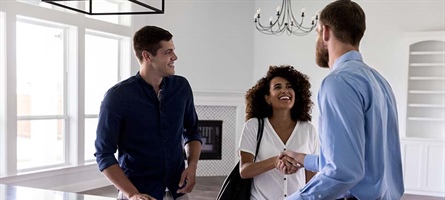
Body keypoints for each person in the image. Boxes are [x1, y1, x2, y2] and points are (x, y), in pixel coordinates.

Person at [277, 0, 405, 199]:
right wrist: (303, 159)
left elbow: (343, 172)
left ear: (326, 32)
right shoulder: (380, 83)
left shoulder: (337, 82)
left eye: (317, 32)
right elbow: (360, 161)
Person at [94, 25, 202, 200]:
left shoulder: (181, 87)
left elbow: (192, 132)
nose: (175, 57)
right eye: (168, 52)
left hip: (178, 191)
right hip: (139, 194)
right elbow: (103, 153)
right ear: (147, 56)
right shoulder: (117, 97)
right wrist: (133, 194)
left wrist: (192, 166)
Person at [238, 65, 319, 200]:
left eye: (289, 86)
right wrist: (275, 161)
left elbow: (311, 175)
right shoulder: (254, 126)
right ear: (267, 98)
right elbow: (244, 171)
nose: (285, 91)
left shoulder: (308, 129)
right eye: (277, 87)